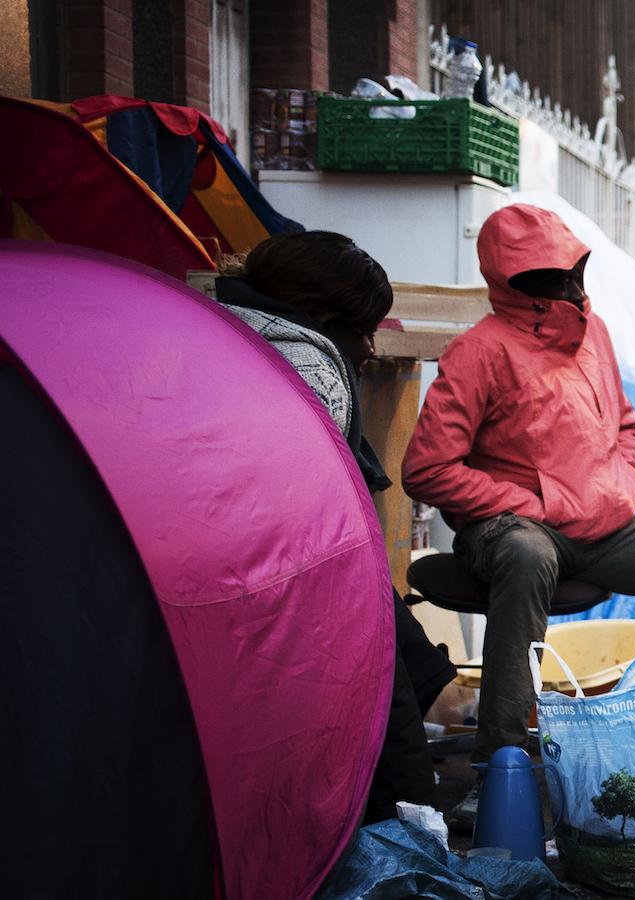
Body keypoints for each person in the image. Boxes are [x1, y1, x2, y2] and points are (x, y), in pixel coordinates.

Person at [402, 204, 635, 763]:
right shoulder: (480, 350)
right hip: (514, 529)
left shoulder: (595, 334)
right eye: (545, 273)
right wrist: (528, 503)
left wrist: (623, 483)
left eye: (568, 268)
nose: (564, 283)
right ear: (511, 279)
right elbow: (426, 470)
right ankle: (501, 760)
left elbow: (625, 422)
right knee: (526, 554)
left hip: (602, 528)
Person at [215, 230, 457, 823]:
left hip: (237, 572)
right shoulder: (308, 362)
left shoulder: (220, 327)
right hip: (297, 581)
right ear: (324, 316)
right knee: (391, 697)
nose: (371, 347)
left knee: (410, 657)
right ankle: (405, 841)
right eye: (365, 329)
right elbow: (314, 523)